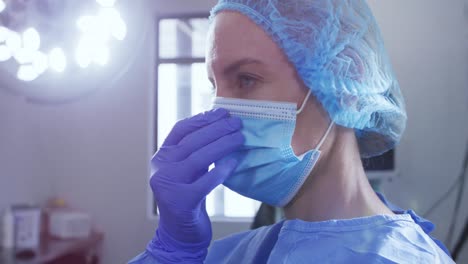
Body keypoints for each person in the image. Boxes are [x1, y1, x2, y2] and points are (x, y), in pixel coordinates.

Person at [129, 0, 455, 263]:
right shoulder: (236, 253)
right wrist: (171, 250)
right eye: (215, 86)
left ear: (346, 83)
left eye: (246, 79)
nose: (220, 109)